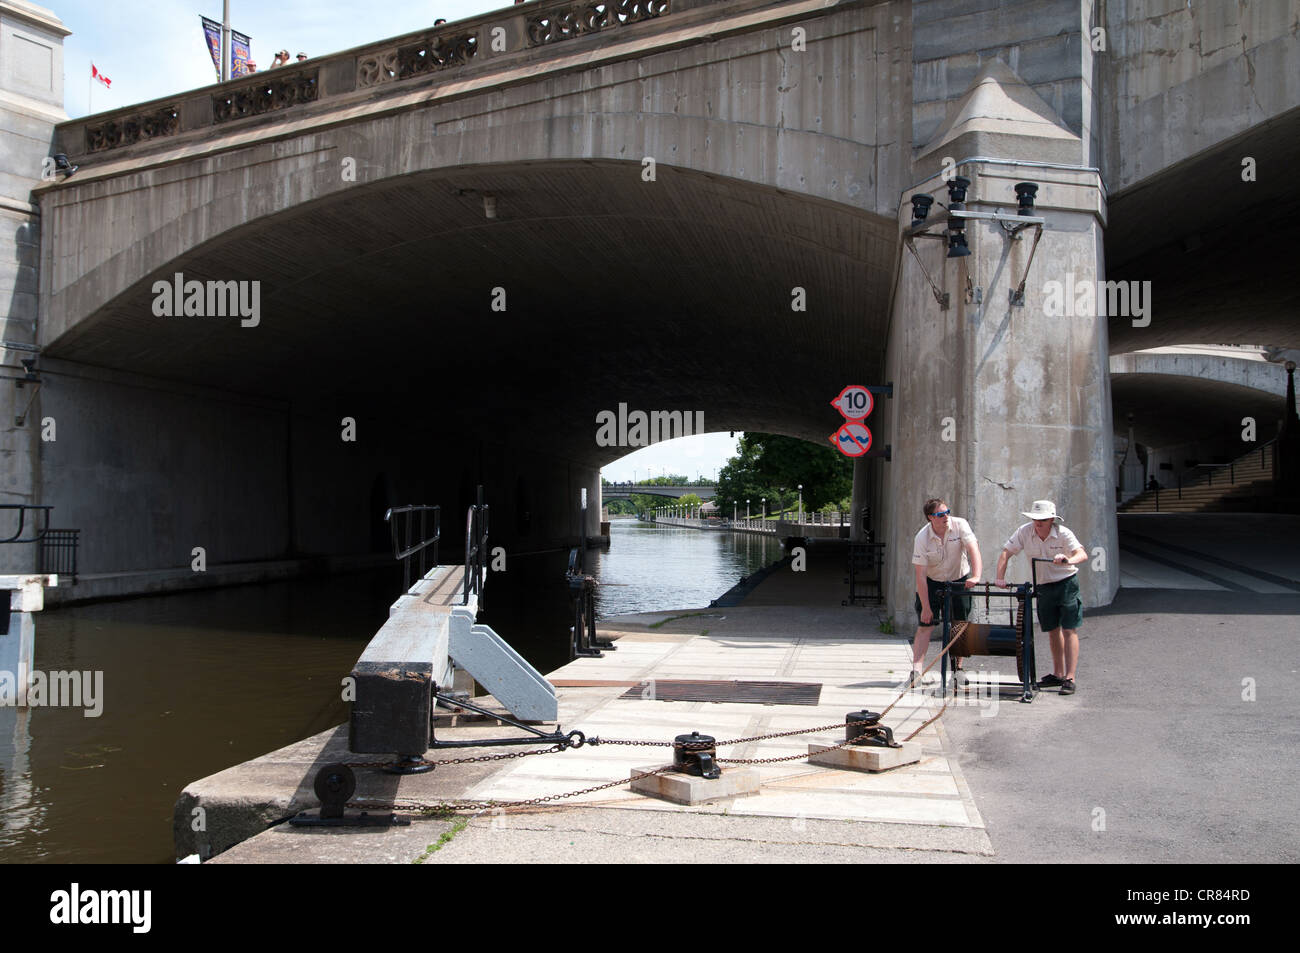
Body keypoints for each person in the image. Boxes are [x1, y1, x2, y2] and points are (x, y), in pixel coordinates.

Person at [995, 500, 1087, 695]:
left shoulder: (1063, 533)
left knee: (1069, 628)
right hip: (1044, 585)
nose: (1038, 523)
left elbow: (1082, 554)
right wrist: (999, 578)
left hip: (1066, 582)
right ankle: (1058, 673)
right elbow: (1006, 552)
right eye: (1035, 519)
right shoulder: (1024, 531)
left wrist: (1068, 559)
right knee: (1052, 630)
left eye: (1043, 520)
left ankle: (1070, 677)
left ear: (1052, 519)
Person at [908, 498, 982, 688]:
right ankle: (916, 671)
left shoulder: (960, 525)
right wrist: (926, 606)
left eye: (947, 512)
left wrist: (976, 576)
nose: (946, 517)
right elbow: (920, 576)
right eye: (941, 514)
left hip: (959, 578)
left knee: (959, 624)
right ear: (931, 518)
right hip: (933, 581)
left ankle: (958, 670)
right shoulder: (922, 538)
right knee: (925, 624)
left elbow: (973, 549)